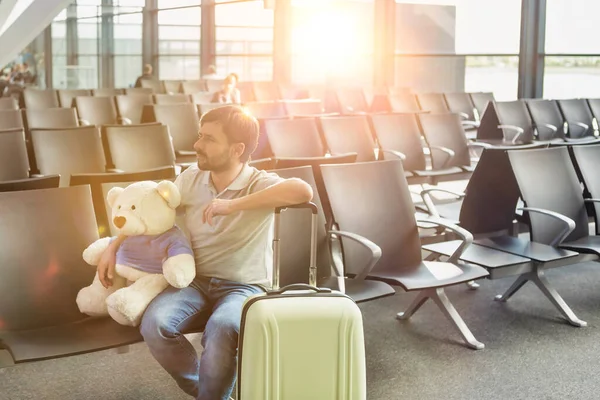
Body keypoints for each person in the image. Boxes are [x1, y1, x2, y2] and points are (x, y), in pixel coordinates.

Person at [95, 105, 313, 400]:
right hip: (194, 281)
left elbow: (302, 191)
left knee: (223, 329)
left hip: (244, 286)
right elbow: (149, 212)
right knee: (155, 325)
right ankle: (208, 394)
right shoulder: (191, 177)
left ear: (237, 149)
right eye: (200, 135)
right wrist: (113, 245)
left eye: (209, 139)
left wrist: (233, 205)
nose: (197, 145)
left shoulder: (257, 183)